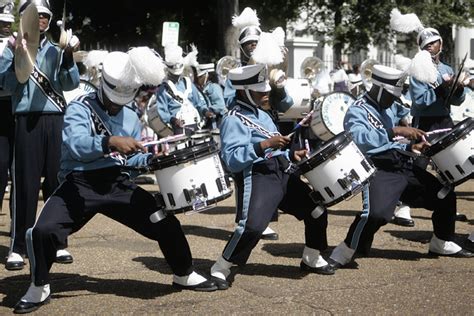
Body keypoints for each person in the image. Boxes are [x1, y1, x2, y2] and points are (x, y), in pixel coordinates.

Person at [12, 49, 217, 314]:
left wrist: (149, 161)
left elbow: (127, 162)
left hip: (117, 184)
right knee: (43, 231)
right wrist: (109, 142)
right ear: (102, 85)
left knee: (164, 221)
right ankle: (39, 285)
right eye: (113, 98)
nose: (116, 104)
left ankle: (183, 272)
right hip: (80, 183)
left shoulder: (131, 116)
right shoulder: (79, 108)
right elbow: (76, 146)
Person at [328, 64, 473, 270]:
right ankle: (344, 250)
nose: (393, 100)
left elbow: (397, 139)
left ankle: (441, 241)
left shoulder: (391, 105)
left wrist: (413, 144)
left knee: (444, 194)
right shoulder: (357, 110)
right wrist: (393, 131)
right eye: (389, 95)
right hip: (380, 169)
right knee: (376, 214)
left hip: (403, 164)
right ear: (378, 89)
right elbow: (358, 139)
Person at [209, 63, 335, 290]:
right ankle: (221, 266)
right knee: (253, 227)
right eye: (260, 90)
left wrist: (290, 153)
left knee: (316, 211)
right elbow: (232, 160)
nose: (266, 92)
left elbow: (275, 148)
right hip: (258, 176)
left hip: (282, 171)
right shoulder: (232, 119)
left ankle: (311, 257)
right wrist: (264, 145)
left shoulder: (262, 114)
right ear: (244, 91)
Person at [0, 0, 79, 270]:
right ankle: (18, 247)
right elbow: (5, 82)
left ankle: (57, 242)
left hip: (55, 118)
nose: (41, 20)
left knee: (57, 183)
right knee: (25, 185)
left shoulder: (57, 50)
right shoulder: (12, 46)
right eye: (36, 15)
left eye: (45, 15)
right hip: (25, 119)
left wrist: (68, 57)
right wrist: (17, 59)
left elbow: (71, 83)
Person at [154, 44, 213, 135]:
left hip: (196, 124)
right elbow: (162, 110)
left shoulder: (188, 83)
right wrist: (172, 120)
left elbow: (198, 103)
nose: (176, 75)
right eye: (174, 74)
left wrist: (205, 111)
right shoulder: (163, 89)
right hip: (179, 127)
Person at [0, 1, 14, 217]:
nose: (6, 26)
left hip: (16, 105)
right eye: (2, 22)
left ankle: (18, 220)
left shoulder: (17, 41)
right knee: (1, 166)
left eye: (8, 23)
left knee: (19, 169)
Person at [193, 62, 227, 129]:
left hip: (216, 121)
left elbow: (220, 105)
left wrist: (209, 110)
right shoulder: (204, 88)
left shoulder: (214, 87)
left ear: (207, 75)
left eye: (200, 77)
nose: (198, 79)